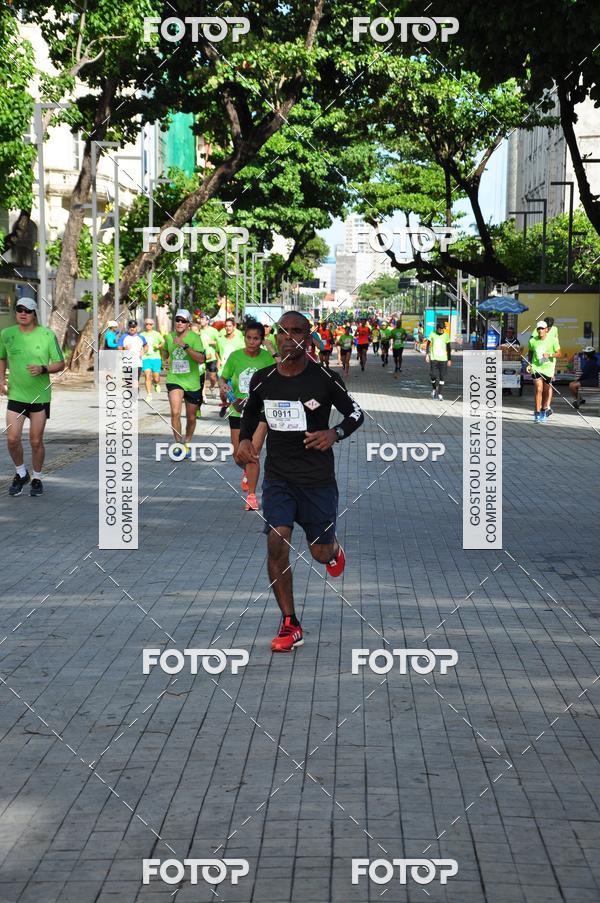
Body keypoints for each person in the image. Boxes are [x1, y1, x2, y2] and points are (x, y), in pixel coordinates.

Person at [235, 311, 364, 652]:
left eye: (297, 332)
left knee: (319, 553)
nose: (289, 337)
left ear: (309, 338)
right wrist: (245, 442)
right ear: (274, 337)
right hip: (279, 479)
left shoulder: (325, 378)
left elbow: (356, 413)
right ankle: (290, 623)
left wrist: (333, 433)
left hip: (317, 480)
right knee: (277, 542)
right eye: (283, 332)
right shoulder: (263, 379)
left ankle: (333, 550)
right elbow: (250, 415)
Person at [0, 298, 65, 496]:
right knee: (12, 439)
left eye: (27, 310)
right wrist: (1, 379)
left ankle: (36, 477)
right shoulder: (6, 334)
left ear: (34, 313)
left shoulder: (46, 335)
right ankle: (21, 473)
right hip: (17, 395)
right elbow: (2, 357)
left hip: (40, 397)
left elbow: (60, 363)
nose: (23, 313)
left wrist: (43, 368)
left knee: (36, 441)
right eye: (19, 309)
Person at [219, 321, 274, 510]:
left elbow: (281, 373)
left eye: (256, 338)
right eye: (249, 338)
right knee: (238, 456)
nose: (252, 342)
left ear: (262, 339)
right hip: (238, 408)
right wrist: (223, 386)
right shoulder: (235, 357)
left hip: (260, 411)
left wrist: (273, 350)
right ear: (244, 338)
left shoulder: (267, 358)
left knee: (253, 454)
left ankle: (251, 495)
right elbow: (223, 377)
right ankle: (247, 473)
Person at [163, 309, 206, 453]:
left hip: (192, 382)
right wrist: (165, 360)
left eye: (183, 321)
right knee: (175, 412)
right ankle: (178, 444)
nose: (180, 323)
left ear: (188, 324)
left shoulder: (194, 338)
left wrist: (184, 346)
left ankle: (187, 442)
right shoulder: (169, 337)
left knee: (191, 417)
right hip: (174, 379)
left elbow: (201, 359)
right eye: (177, 320)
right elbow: (165, 351)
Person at [527, 320, 561, 423]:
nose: (540, 330)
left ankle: (543, 410)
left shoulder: (553, 340)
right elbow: (530, 351)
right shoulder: (533, 341)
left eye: (542, 328)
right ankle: (537, 413)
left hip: (548, 368)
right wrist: (529, 363)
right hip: (536, 367)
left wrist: (549, 355)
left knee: (546, 391)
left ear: (547, 329)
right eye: (538, 329)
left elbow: (559, 353)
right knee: (538, 389)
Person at [140, 317, 164, 402]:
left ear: (153, 325)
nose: (148, 325)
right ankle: (149, 394)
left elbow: (163, 342)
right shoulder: (141, 334)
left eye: (150, 324)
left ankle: (156, 383)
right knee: (147, 376)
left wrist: (159, 346)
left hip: (156, 358)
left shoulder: (157, 334)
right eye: (146, 324)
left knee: (156, 377)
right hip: (145, 358)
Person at [425, 322, 451, 400]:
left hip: (443, 359)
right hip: (434, 358)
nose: (441, 330)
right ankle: (434, 388)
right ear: (437, 328)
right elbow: (428, 344)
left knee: (442, 377)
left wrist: (449, 359)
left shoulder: (446, 335)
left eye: (442, 329)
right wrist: (427, 354)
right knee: (433, 375)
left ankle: (440, 393)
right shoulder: (432, 334)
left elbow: (448, 348)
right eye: (440, 329)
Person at [117, 319, 147, 386]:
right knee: (129, 383)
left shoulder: (141, 337)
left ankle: (135, 396)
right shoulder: (123, 337)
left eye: (134, 327)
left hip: (137, 363)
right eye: (130, 327)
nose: (132, 328)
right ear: (128, 327)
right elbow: (119, 348)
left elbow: (146, 346)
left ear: (136, 327)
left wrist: (143, 351)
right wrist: (125, 348)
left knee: (135, 382)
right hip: (127, 363)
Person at [197, 313, 220, 398]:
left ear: (207, 320)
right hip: (201, 357)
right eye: (200, 319)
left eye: (202, 319)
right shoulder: (198, 330)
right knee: (201, 377)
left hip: (212, 357)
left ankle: (212, 386)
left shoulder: (213, 330)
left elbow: (220, 342)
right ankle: (203, 394)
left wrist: (212, 342)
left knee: (213, 377)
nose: (201, 320)